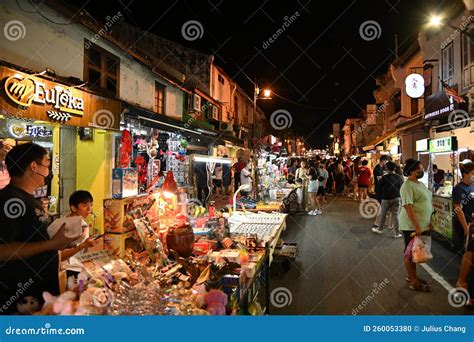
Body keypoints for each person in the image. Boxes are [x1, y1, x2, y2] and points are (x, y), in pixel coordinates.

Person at [0, 143, 76, 313]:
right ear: (34, 167)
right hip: (21, 301)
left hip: (40, 294)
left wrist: (60, 241)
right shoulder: (10, 201)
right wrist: (51, 245)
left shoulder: (29, 199)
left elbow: (34, 239)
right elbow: (3, 250)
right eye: (47, 166)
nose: (49, 172)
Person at [399, 159, 433, 292]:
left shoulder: (420, 184)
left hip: (422, 225)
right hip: (411, 226)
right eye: (419, 168)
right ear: (412, 171)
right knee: (409, 253)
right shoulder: (407, 186)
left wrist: (428, 221)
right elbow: (408, 207)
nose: (422, 170)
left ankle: (412, 276)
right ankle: (413, 281)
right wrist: (417, 226)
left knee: (416, 252)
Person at [453, 162, 474, 307]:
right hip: (466, 227)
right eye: (473, 173)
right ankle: (462, 282)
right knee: (469, 254)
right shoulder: (459, 188)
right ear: (465, 174)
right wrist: (466, 227)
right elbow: (458, 208)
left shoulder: (472, 187)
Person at [371, 161, 404, 238]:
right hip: (397, 198)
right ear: (394, 168)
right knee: (395, 215)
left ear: (386, 168)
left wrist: (380, 196)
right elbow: (402, 188)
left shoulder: (384, 177)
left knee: (383, 214)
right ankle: (397, 233)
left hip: (386, 198)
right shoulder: (399, 177)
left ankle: (380, 229)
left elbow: (379, 188)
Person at [60, 191, 95, 260]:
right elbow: (61, 256)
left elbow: (84, 251)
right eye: (84, 206)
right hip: (67, 267)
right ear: (73, 208)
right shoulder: (64, 225)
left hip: (79, 264)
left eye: (91, 205)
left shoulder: (83, 224)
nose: (89, 209)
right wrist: (83, 245)